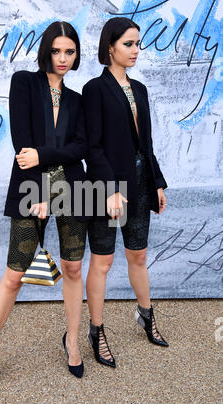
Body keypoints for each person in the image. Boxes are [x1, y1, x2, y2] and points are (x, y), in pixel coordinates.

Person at [0, 21, 88, 388]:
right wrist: (40, 186)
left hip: (73, 188)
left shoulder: (78, 99)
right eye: (56, 50)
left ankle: (72, 339)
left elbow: (79, 149)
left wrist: (44, 153)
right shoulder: (23, 82)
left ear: (76, 54)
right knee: (14, 274)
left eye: (69, 51)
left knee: (73, 269)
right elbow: (21, 142)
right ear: (46, 50)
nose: (62, 58)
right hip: (31, 188)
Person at [82, 17, 169, 368]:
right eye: (128, 44)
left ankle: (146, 316)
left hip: (141, 181)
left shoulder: (141, 89)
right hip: (107, 187)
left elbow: (146, 144)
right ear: (110, 48)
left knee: (139, 255)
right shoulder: (94, 89)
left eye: (137, 44)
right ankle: (96, 330)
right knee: (102, 261)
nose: (136, 50)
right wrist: (107, 189)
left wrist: (158, 181)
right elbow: (92, 146)